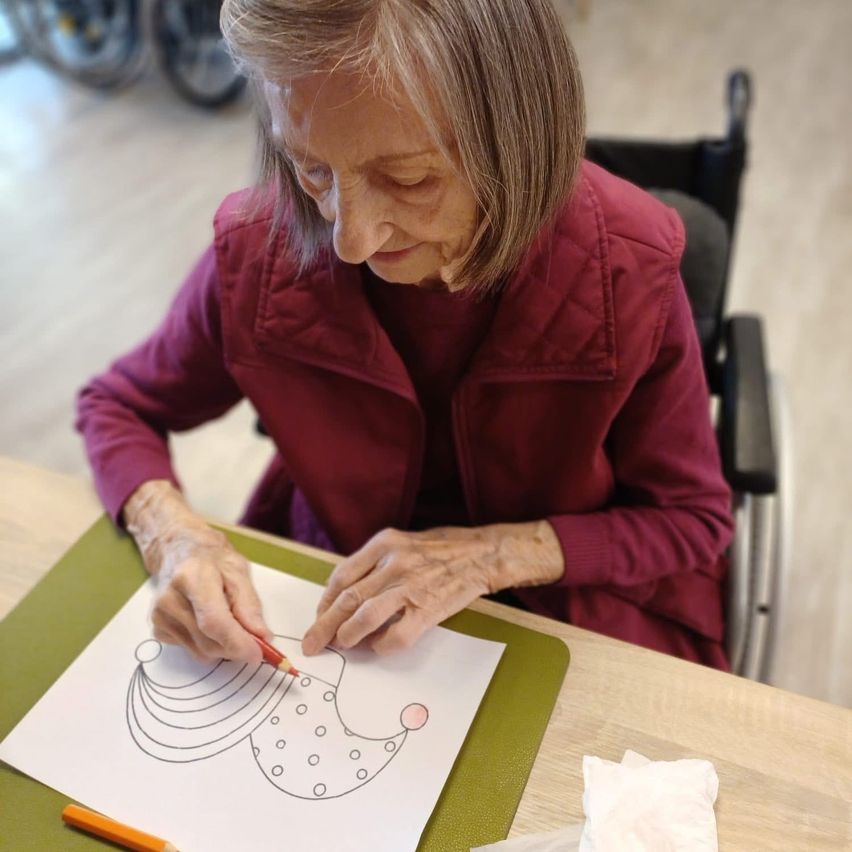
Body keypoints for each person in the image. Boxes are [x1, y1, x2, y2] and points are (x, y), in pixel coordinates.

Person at [76, 0, 734, 672]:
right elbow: (118, 406)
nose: (349, 239)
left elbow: (692, 517)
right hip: (335, 595)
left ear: (517, 137)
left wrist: (492, 555)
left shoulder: (627, 265)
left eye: (409, 178)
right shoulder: (258, 250)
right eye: (313, 171)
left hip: (564, 611)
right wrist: (175, 538)